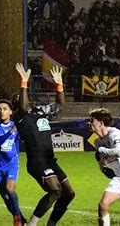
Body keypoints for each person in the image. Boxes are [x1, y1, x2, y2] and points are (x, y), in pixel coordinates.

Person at [13, 63, 75, 226]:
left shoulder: (40, 111)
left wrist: (59, 83)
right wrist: (24, 82)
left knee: (69, 193)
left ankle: (51, 223)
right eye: (18, 98)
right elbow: (24, 106)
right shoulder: (20, 116)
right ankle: (31, 224)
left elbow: (61, 106)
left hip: (50, 160)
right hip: (37, 161)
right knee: (55, 191)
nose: (21, 98)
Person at [0, 99, 27, 225]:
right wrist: (11, 132)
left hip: (11, 164)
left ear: (10, 112)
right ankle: (21, 218)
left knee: (9, 189)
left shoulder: (17, 125)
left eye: (4, 109)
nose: (1, 111)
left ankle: (16, 218)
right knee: (6, 198)